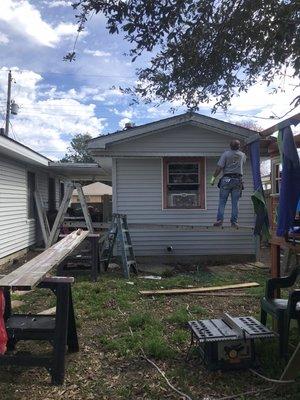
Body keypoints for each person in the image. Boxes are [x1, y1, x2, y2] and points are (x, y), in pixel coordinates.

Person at [210, 140, 246, 227]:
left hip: (226, 180)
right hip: (238, 180)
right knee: (235, 202)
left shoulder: (226, 154)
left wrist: (213, 178)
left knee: (222, 201)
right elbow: (242, 161)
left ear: (230, 146)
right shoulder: (242, 155)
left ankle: (219, 220)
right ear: (239, 146)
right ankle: (234, 222)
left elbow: (219, 167)